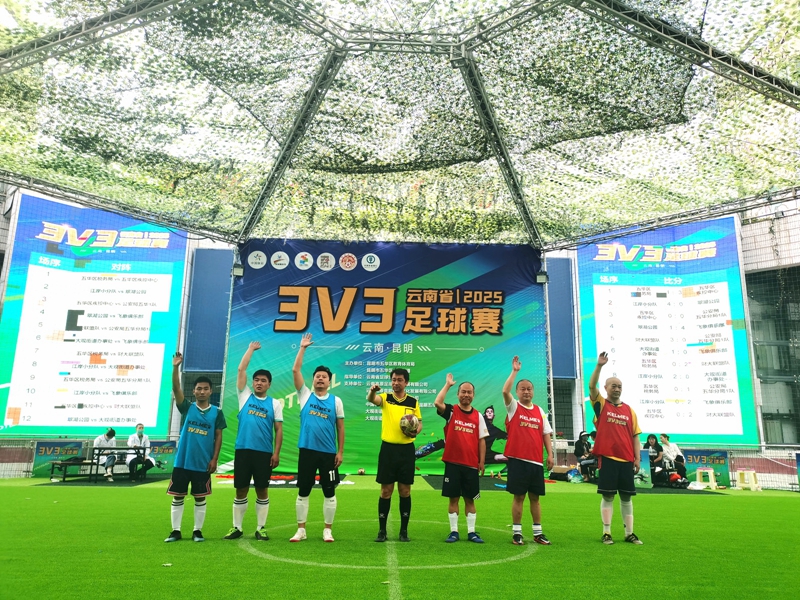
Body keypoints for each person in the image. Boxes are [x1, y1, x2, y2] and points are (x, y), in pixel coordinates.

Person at [224, 341, 284, 541]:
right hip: (243, 451)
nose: (259, 383)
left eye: (263, 381)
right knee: (241, 489)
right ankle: (237, 527)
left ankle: (261, 528)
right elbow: (241, 369)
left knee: (262, 490)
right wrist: (250, 349)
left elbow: (278, 430)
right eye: (256, 380)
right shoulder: (244, 396)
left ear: (269, 384)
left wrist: (276, 453)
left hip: (263, 453)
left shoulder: (274, 404)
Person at [165, 352, 226, 543]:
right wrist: (175, 367)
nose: (202, 391)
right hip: (182, 462)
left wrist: (214, 459)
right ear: (194, 391)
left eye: (205, 389)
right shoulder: (187, 407)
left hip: (202, 463)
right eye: (199, 388)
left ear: (211, 391)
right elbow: (176, 387)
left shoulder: (217, 412)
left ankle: (197, 531)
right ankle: (175, 531)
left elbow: (218, 436)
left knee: (200, 498)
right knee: (177, 497)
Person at [289, 333, 345, 543]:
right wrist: (303, 347)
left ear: (329, 381)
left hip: (328, 454)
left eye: (324, 377)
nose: (320, 378)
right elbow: (295, 370)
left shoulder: (336, 401)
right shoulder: (305, 396)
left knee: (329, 491)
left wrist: (340, 451)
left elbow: (340, 427)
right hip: (307, 451)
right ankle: (301, 530)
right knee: (303, 490)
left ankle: (327, 530)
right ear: (312, 380)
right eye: (317, 376)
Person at [588, 351, 643, 545]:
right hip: (608, 458)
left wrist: (637, 458)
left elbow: (635, 436)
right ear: (606, 388)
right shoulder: (601, 405)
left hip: (626, 460)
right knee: (608, 495)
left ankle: (629, 533)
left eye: (619, 386)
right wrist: (599, 366)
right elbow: (591, 386)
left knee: (627, 497)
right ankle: (607, 532)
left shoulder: (630, 411)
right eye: (613, 386)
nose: (617, 389)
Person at [502, 356, 554, 546]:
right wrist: (515, 371)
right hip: (518, 461)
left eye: (529, 389)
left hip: (536, 462)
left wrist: (550, 454)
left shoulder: (540, 411)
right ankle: (517, 533)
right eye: (522, 389)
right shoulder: (513, 407)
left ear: (533, 392)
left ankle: (538, 533)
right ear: (517, 392)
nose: (526, 391)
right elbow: (505, 391)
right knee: (519, 497)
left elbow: (546, 433)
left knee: (535, 498)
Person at [368, 366, 422, 542]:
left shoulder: (413, 402)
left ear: (406, 382)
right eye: (393, 380)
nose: (396, 383)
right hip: (388, 450)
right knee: (386, 491)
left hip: (406, 451)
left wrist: (415, 431)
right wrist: (372, 391)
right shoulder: (386, 398)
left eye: (399, 380)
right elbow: (372, 399)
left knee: (405, 491)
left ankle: (403, 531)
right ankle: (382, 531)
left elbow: (419, 423)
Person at [434, 373, 489, 543]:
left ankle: (472, 532)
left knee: (470, 499)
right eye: (463, 392)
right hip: (453, 464)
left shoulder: (478, 416)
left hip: (471, 465)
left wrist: (482, 461)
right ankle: (454, 532)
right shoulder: (451, 411)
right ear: (458, 394)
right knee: (454, 498)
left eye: (469, 392)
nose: (466, 395)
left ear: (473, 395)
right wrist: (448, 385)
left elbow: (482, 440)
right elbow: (437, 403)